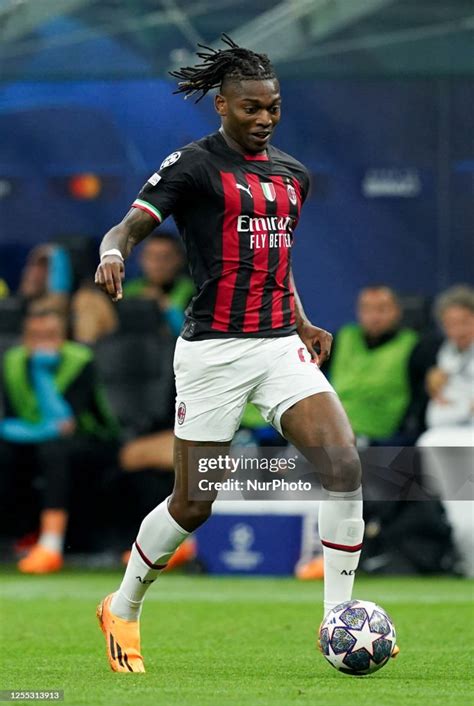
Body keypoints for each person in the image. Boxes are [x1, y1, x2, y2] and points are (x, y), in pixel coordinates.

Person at [94, 35, 397, 673]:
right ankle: (122, 607)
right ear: (222, 107)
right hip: (212, 355)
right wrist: (113, 249)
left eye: (274, 108)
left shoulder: (293, 177)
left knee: (343, 466)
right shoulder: (193, 166)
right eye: (251, 108)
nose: (264, 119)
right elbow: (130, 222)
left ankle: (335, 620)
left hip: (279, 348)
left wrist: (304, 320)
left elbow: (272, 263)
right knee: (194, 503)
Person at [0, 308, 119, 572]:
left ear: (64, 337)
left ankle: (51, 545)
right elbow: (10, 415)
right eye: (36, 336)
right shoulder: (13, 361)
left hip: (91, 441)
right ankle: (12, 536)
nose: (43, 342)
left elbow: (64, 424)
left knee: (55, 451)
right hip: (34, 438)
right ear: (24, 338)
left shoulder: (81, 360)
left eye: (51, 335)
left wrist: (42, 374)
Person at [417, 285, 474, 576]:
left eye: (464, 322)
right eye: (450, 324)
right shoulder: (445, 354)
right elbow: (439, 411)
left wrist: (458, 405)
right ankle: (457, 557)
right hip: (446, 437)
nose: (457, 330)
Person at [329, 285, 419, 443]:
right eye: (367, 310)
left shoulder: (413, 345)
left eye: (382, 309)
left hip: (376, 431)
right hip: (330, 423)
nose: (374, 317)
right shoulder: (342, 337)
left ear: (397, 311)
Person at [124, 232, 195, 337]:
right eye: (150, 257)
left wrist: (163, 304)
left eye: (164, 258)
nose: (157, 264)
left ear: (179, 260)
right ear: (141, 259)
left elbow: (187, 332)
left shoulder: (190, 291)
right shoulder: (129, 290)